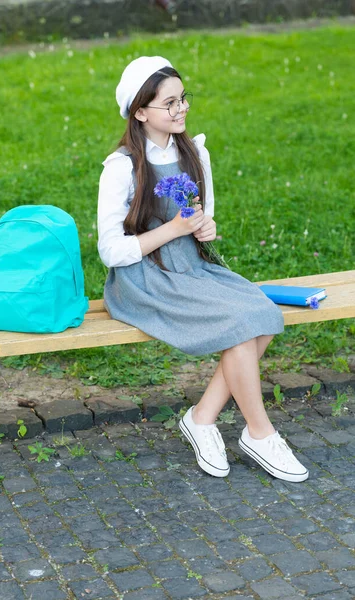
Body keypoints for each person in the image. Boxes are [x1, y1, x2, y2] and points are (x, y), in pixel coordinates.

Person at [97, 56, 309, 483]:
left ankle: (203, 416)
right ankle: (260, 432)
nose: (181, 110)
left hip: (191, 268)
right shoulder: (121, 168)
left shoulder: (196, 152)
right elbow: (111, 251)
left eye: (183, 99)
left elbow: (203, 217)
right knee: (239, 322)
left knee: (263, 313)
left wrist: (203, 227)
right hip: (145, 278)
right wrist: (172, 229)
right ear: (140, 112)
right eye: (169, 103)